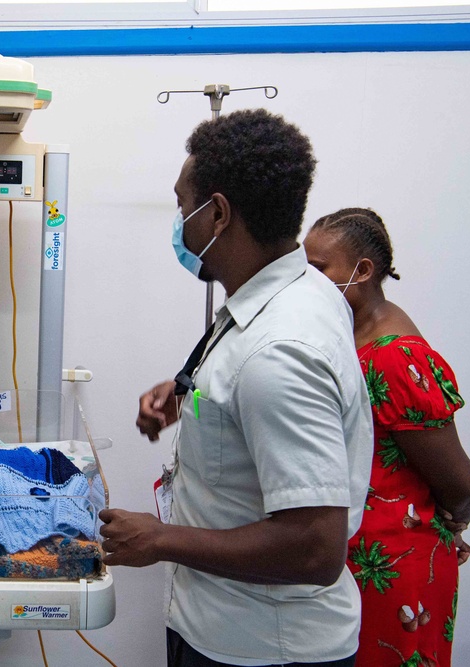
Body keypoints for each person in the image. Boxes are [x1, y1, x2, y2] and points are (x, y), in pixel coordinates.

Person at [99, 108, 373, 667]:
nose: (180, 223)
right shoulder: (288, 290)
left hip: (264, 648)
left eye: (183, 207)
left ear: (218, 213)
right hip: (223, 624)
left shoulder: (281, 350)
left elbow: (316, 547)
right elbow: (243, 384)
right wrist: (189, 399)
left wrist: (159, 540)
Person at [304, 207, 470, 667]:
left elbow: (460, 484)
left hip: (396, 568)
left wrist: (451, 523)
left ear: (362, 271)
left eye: (319, 268)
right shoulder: (350, 331)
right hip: (355, 556)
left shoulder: (394, 357)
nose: (308, 278)